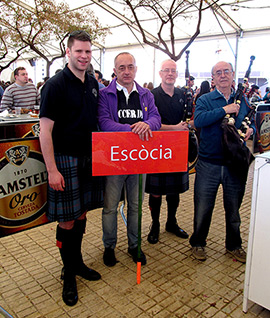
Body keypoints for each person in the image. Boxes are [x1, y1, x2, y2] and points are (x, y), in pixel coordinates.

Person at [39, 30, 104, 307]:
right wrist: (52, 170)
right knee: (66, 220)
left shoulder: (92, 82)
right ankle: (68, 275)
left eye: (88, 52)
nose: (84, 56)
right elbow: (45, 131)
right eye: (79, 51)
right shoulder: (54, 85)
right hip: (64, 160)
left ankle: (76, 264)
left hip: (89, 158)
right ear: (68, 51)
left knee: (81, 215)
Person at [98, 52, 161, 267]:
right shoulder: (104, 94)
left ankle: (135, 246)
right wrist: (132, 130)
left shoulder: (146, 95)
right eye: (122, 67)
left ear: (136, 69)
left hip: (138, 160)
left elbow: (156, 118)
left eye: (130, 67)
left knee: (136, 205)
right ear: (114, 71)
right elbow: (104, 122)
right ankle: (109, 246)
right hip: (114, 160)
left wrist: (148, 124)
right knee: (110, 207)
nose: (126, 71)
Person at [189, 61, 255, 263]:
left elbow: (248, 121)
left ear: (233, 74)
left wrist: (251, 130)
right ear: (213, 78)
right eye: (218, 73)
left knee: (234, 209)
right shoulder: (206, 99)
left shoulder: (242, 99)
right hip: (208, 163)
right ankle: (198, 243)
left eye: (226, 71)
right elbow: (198, 121)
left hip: (234, 163)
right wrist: (225, 109)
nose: (223, 75)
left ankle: (234, 245)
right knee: (202, 208)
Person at [145, 59, 189, 244]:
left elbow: (186, 120)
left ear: (176, 74)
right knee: (156, 192)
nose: (170, 73)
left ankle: (171, 222)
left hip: (178, 148)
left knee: (174, 191)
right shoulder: (151, 95)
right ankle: (154, 225)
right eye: (166, 70)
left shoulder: (182, 94)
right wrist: (176, 128)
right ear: (160, 74)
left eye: (173, 70)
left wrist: (186, 127)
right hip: (157, 149)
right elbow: (150, 124)